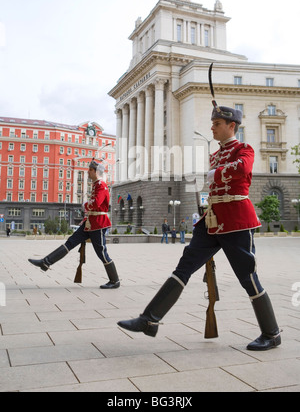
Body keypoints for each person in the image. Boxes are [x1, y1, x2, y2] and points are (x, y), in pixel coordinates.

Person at [118, 103, 281, 351]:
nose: (212, 128)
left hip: (236, 221)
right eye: (212, 124)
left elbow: (243, 169)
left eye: (217, 124)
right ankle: (149, 319)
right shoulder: (215, 155)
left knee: (247, 277)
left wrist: (215, 174)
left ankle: (272, 333)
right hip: (212, 221)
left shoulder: (244, 149)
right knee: (184, 267)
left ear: (231, 126)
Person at [28, 160, 120, 289]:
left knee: (102, 253)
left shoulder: (101, 185)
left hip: (98, 224)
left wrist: (85, 205)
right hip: (90, 223)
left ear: (95, 171)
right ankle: (46, 262)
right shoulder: (96, 184)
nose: (88, 172)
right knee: (70, 242)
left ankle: (115, 281)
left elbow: (97, 203)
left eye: (89, 170)